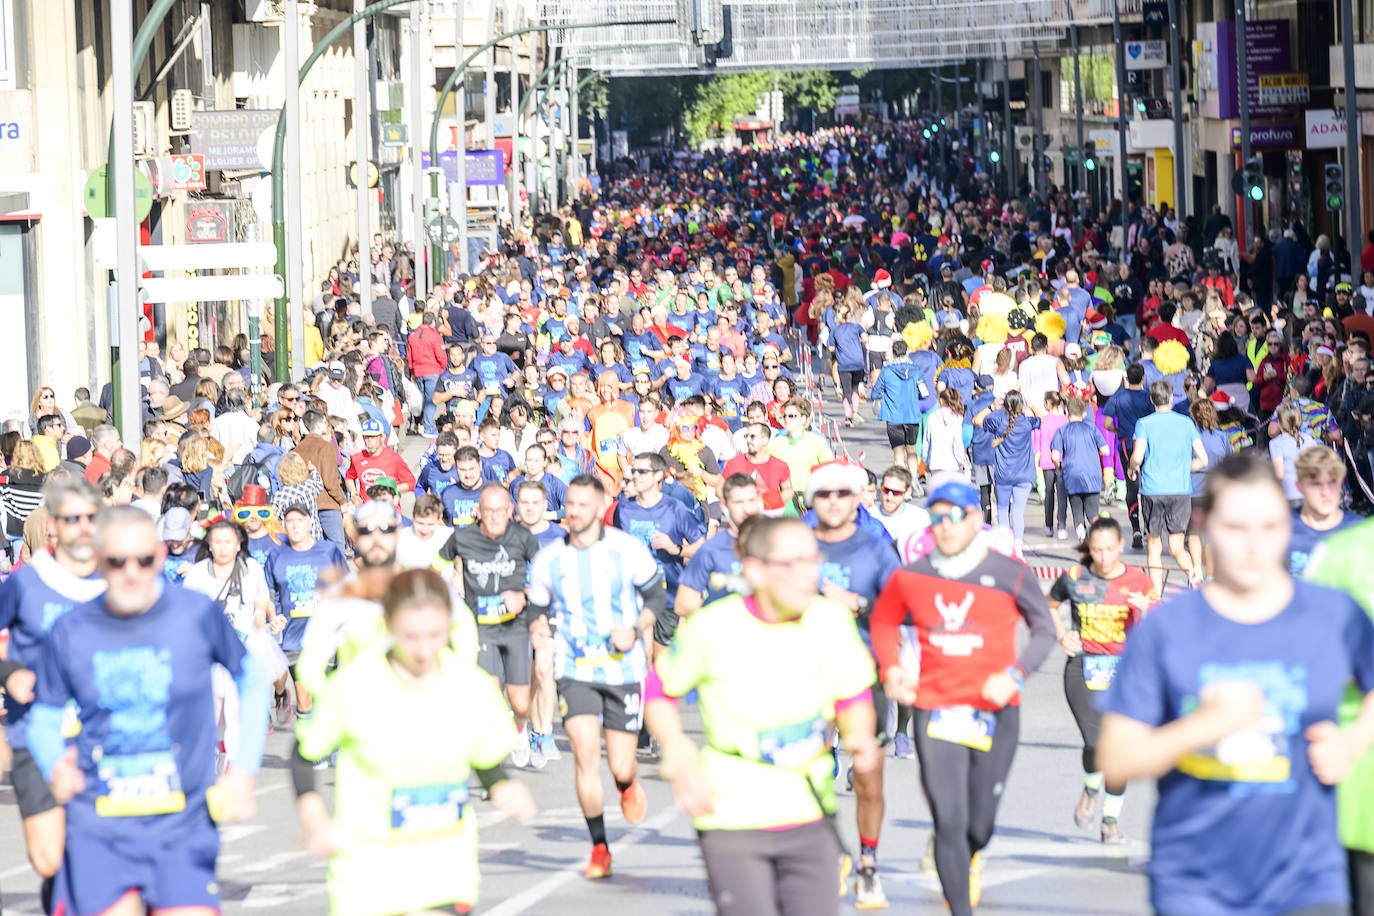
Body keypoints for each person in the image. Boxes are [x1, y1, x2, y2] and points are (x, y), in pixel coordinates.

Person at [1098, 453, 1374, 916]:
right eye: (1235, 527)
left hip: (1306, 878)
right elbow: (1115, 757)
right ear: (1204, 525)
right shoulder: (1167, 630)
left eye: (1268, 527)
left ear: (1286, 527)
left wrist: (1352, 742)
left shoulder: (1332, 615)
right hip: (1196, 884)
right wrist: (1202, 726)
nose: (1252, 545)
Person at [27, 506, 270, 916]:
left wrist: (243, 771)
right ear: (98, 560)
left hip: (182, 824)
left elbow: (252, 680)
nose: (131, 572)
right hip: (99, 825)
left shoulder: (194, 614)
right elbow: (44, 715)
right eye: (117, 561)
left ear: (158, 557)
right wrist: (53, 764)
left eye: (142, 559)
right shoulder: (72, 629)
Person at [646, 516, 882, 916]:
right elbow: (659, 689)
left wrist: (860, 737)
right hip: (733, 815)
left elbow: (853, 695)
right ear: (755, 570)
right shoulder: (713, 627)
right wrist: (679, 752)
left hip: (810, 809)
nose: (809, 575)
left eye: (813, 560)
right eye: (793, 564)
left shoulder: (831, 621)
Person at [291, 568, 536, 916]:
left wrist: (502, 786)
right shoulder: (355, 686)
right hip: (368, 873)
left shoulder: (471, 687)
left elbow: (483, 758)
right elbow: (304, 753)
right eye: (410, 636)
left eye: (434, 635)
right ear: (389, 626)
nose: (423, 650)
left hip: (444, 868)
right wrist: (313, 816)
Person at [870, 479, 1056, 916]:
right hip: (936, 709)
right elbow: (883, 620)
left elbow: (1044, 629)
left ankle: (963, 853)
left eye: (956, 515)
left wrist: (1015, 675)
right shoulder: (913, 575)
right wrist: (891, 668)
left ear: (975, 519)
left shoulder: (1008, 572)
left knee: (980, 827)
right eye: (937, 516)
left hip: (996, 710)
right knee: (949, 820)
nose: (946, 525)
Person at [526, 475, 665, 879]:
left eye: (583, 504)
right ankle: (600, 847)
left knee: (620, 765)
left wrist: (635, 628)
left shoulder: (627, 549)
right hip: (575, 670)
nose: (573, 511)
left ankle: (627, 785)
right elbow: (536, 608)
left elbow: (655, 596)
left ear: (601, 507)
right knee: (585, 757)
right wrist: (539, 634)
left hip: (623, 668)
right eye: (570, 504)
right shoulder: (550, 558)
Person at [0, 478, 106, 907]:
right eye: (71, 519)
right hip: (34, 733)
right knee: (48, 859)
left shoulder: (115, 579)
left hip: (99, 735)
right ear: (54, 526)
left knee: (90, 848)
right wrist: (9, 673)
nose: (81, 527)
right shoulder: (26, 583)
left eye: (89, 519)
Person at [805, 459, 901, 908]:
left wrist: (856, 603)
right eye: (824, 494)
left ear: (857, 498)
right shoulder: (796, 546)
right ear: (812, 500)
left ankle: (868, 861)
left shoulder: (876, 547)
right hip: (808, 673)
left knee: (867, 776)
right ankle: (829, 851)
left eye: (842, 493)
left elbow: (899, 607)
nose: (833, 501)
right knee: (806, 773)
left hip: (863, 673)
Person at [1047, 516, 1155, 844]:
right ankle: (1091, 788)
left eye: (1110, 549)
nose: (1104, 557)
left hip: (1125, 672)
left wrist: (1144, 611)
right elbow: (1050, 604)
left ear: (1121, 546)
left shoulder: (1139, 582)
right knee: (1096, 742)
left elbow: (1158, 633)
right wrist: (1062, 634)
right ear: (1089, 549)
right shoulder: (1076, 577)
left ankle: (1110, 820)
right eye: (1097, 550)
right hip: (1082, 668)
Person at [439, 483, 544, 767]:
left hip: (515, 628)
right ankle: (495, 748)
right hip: (481, 629)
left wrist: (524, 595)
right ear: (478, 511)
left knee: (520, 702)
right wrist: (451, 576)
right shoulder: (462, 537)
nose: (495, 516)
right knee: (490, 694)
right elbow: (434, 565)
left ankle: (520, 729)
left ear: (510, 511)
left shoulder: (522, 537)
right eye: (489, 511)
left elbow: (548, 576)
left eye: (501, 510)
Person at [612, 452, 706, 655]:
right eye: (633, 471)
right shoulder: (624, 509)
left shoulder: (675, 509)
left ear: (658, 475)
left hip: (667, 593)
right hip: (633, 592)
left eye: (642, 471)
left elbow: (701, 545)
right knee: (639, 654)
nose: (635, 475)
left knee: (660, 658)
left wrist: (675, 549)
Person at [263, 503, 349, 716]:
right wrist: (273, 617)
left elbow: (347, 587)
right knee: (304, 701)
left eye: (300, 520)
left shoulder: (328, 551)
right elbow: (267, 593)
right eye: (290, 521)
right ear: (284, 525)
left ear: (310, 522)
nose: (295, 525)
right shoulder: (276, 555)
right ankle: (308, 735)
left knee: (324, 698)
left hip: (325, 635)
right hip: (293, 637)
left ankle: (327, 736)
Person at [1128, 380, 1209, 592]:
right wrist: (1182, 468)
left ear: (1152, 399)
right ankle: (1194, 577)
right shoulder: (1186, 423)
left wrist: (1132, 468)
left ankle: (1155, 594)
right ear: (1171, 398)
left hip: (1153, 490)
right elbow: (1203, 459)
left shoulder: (1144, 424)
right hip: (1180, 491)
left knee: (1154, 546)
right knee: (1176, 547)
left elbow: (1137, 456)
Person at [676, 473, 762, 617]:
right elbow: (682, 605)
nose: (747, 509)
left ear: (760, 501)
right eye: (738, 503)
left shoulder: (777, 543)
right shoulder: (711, 550)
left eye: (751, 501)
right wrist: (720, 607)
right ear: (724, 505)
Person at [973, 390, 1041, 549]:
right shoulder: (1027, 423)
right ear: (1021, 405)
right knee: (1018, 511)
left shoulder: (998, 422)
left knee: (1003, 510)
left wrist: (991, 407)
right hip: (1024, 474)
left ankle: (1004, 544)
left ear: (1005, 405)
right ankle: (1018, 544)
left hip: (1004, 474)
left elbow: (976, 420)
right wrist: (1030, 405)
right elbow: (1041, 419)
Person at [1287, 445, 1357, 576]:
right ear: (1299, 486)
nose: (1326, 492)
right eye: (1316, 484)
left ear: (1341, 482)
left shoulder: (1360, 530)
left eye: (1332, 482)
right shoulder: (1281, 529)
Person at [1049, 396, 1111, 539]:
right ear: (1084, 413)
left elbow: (1055, 456)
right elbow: (1106, 450)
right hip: (1092, 474)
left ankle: (1080, 528)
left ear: (1067, 412)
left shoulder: (1062, 430)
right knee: (1092, 512)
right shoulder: (1092, 428)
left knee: (1077, 509)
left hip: (1072, 474)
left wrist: (1059, 467)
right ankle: (1098, 531)